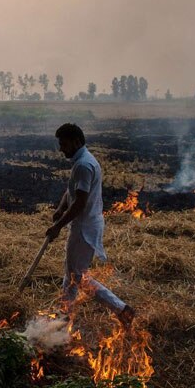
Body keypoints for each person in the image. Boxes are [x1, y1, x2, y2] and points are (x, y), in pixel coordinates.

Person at [45, 123, 135, 327]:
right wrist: (60, 208)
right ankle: (63, 316)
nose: (61, 149)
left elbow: (80, 202)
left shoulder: (84, 165)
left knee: (78, 276)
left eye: (64, 144)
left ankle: (121, 309)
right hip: (83, 224)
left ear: (76, 142)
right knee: (73, 273)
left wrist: (58, 225)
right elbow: (72, 192)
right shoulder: (81, 162)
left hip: (84, 227)